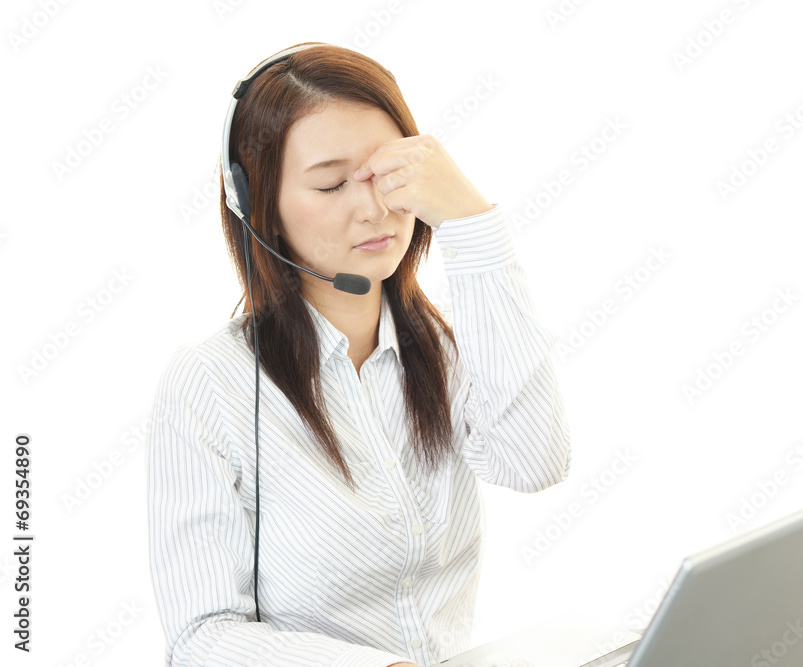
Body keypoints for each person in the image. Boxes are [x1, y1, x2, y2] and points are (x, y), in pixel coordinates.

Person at [146, 42, 572, 667]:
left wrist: (471, 223)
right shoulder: (208, 384)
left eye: (389, 175)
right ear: (257, 205)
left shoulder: (446, 349)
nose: (375, 209)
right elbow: (202, 639)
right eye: (331, 183)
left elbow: (534, 462)